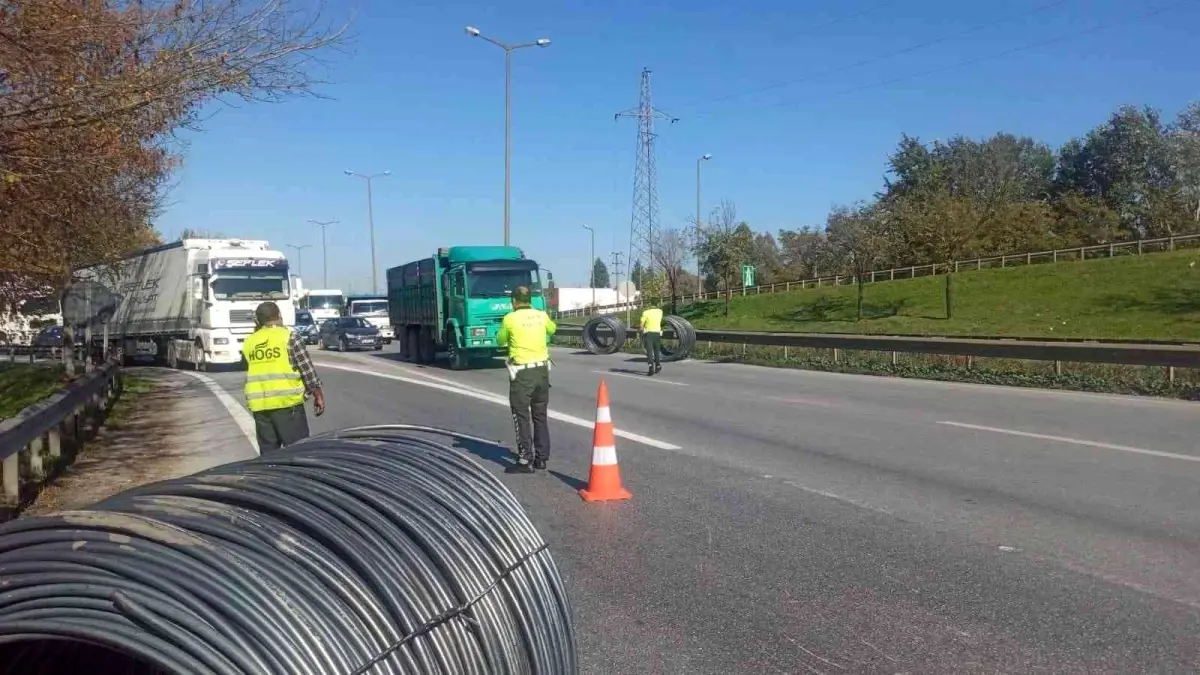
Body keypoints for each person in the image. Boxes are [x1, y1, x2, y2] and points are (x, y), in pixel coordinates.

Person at [243, 301, 325, 452]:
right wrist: (317, 394)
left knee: (269, 455)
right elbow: (306, 369)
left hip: (260, 407)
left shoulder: (249, 341)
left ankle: (270, 476)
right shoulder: (289, 336)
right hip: (287, 405)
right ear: (279, 316)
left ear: (258, 321)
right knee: (298, 452)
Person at [497, 285, 556, 474]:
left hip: (522, 375)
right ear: (530, 299)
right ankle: (542, 458)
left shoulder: (510, 319)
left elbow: (500, 340)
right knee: (540, 416)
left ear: (513, 301)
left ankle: (524, 460)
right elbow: (552, 330)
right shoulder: (541, 315)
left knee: (521, 415)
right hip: (542, 372)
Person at [639, 306, 664, 376]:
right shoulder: (660, 311)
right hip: (657, 333)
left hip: (648, 334)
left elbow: (641, 325)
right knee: (657, 350)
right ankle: (658, 366)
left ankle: (651, 368)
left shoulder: (645, 313)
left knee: (649, 351)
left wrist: (640, 332)